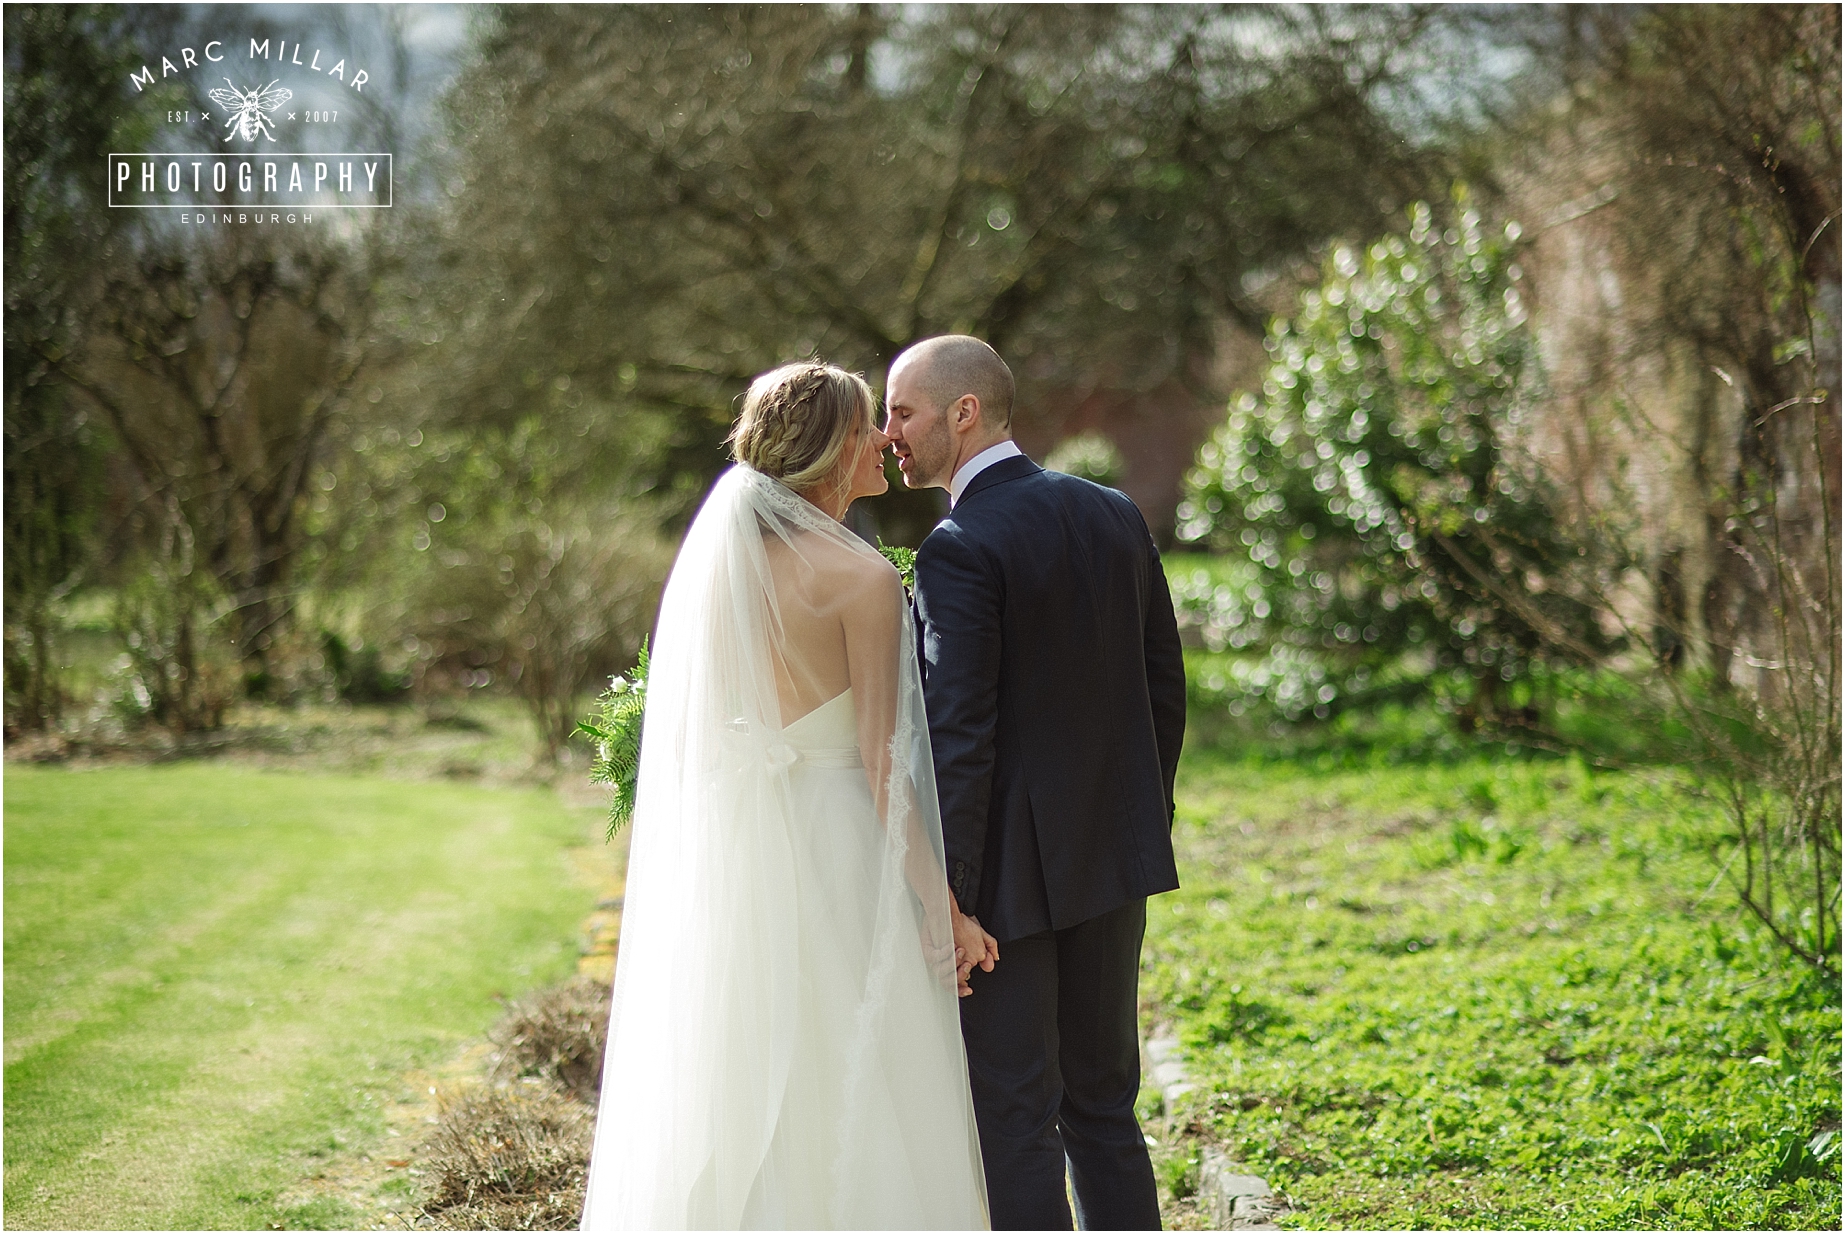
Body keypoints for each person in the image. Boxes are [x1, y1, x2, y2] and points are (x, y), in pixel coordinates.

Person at [580, 362, 990, 1230]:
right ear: (840, 450)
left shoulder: (725, 572)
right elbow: (886, 770)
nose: (886, 438)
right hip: (838, 849)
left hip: (741, 853)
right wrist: (940, 907)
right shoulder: (861, 579)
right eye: (868, 426)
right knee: (852, 1066)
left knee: (743, 1064)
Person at [885, 336, 1187, 1231]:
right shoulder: (1113, 513)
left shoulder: (958, 546)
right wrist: (1140, 821)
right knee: (1103, 1106)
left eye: (902, 412)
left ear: (962, 412)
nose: (887, 432)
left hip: (1006, 891)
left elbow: (959, 735)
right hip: (1115, 860)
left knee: (1015, 1121)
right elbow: (1162, 684)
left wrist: (951, 897)